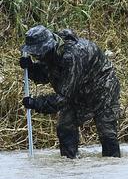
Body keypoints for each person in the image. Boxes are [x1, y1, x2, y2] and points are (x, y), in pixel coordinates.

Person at [19, 25, 121, 158]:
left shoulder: (71, 56)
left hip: (103, 89)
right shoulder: (51, 53)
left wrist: (35, 103)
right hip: (77, 90)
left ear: (47, 47)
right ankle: (71, 166)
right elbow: (47, 75)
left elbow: (62, 99)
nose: (36, 56)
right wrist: (31, 69)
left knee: (107, 132)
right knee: (65, 127)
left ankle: (112, 168)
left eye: (38, 53)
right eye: (34, 54)